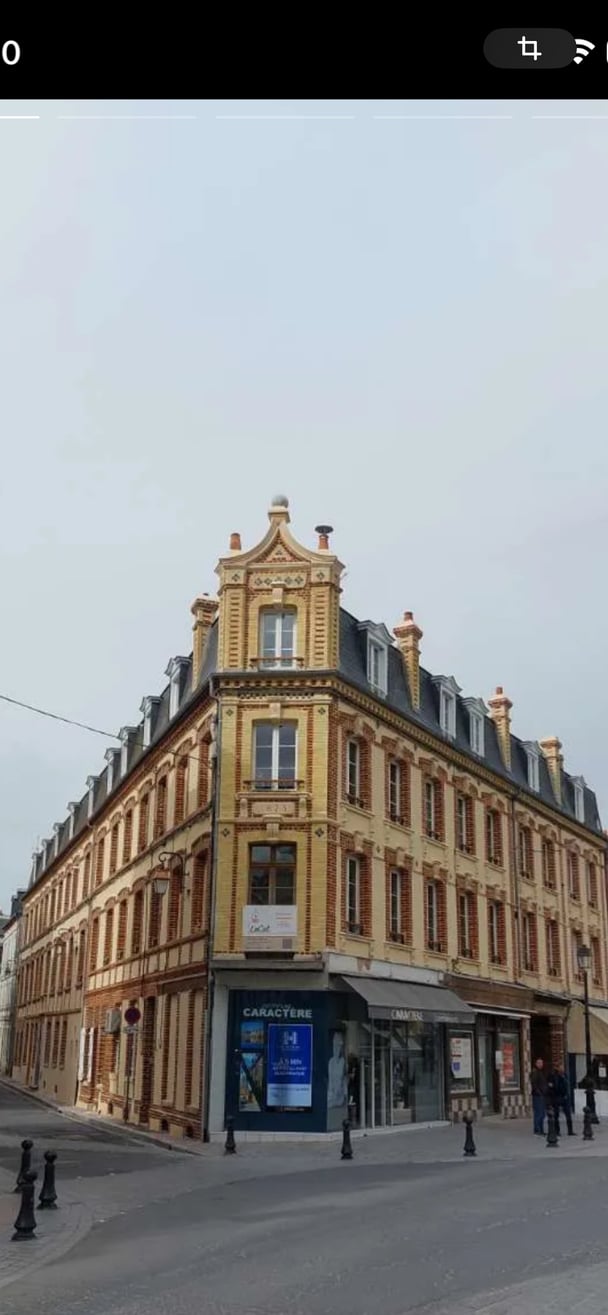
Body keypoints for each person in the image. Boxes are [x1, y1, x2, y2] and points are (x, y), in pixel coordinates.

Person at [552, 1063, 576, 1136]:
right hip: (558, 1097)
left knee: (568, 1114)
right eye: (561, 1068)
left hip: (565, 1097)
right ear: (558, 1068)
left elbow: (567, 1086)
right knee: (556, 1115)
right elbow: (556, 1087)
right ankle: (557, 1131)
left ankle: (570, 1131)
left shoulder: (565, 1075)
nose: (562, 1069)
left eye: (563, 1068)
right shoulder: (555, 1076)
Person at [531, 1057, 547, 1135]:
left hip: (542, 1095)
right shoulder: (535, 1072)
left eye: (542, 1063)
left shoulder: (541, 1072)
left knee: (542, 1114)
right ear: (536, 1064)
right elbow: (534, 1084)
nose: (541, 1064)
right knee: (539, 1113)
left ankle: (541, 1129)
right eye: (539, 1063)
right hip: (538, 1096)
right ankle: (537, 1130)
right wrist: (539, 1093)